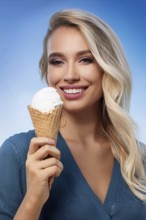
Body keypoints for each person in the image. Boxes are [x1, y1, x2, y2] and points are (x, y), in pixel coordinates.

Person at [0, 9, 146, 220]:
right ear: (47, 71)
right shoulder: (16, 154)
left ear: (108, 67)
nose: (70, 76)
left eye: (85, 60)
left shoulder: (138, 158)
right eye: (57, 62)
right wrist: (33, 199)